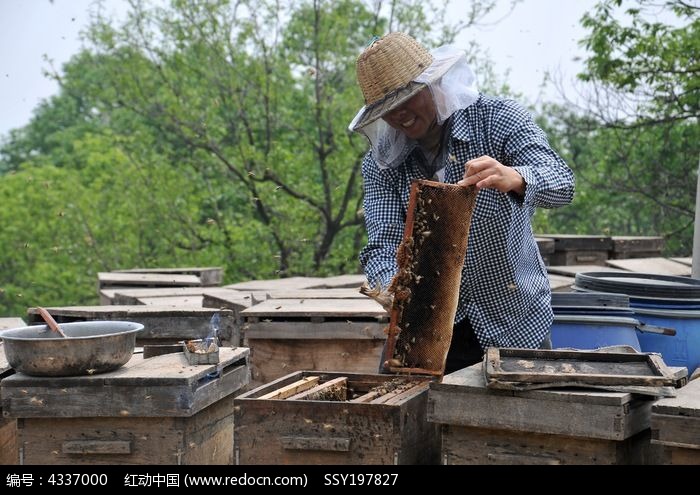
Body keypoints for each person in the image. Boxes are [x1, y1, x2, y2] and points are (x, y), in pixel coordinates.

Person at [349, 32, 575, 374]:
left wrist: (515, 176)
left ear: (433, 82)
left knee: (516, 423)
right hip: (427, 326)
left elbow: (562, 182)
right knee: (399, 415)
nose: (399, 114)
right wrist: (390, 287)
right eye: (387, 107)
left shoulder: (499, 119)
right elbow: (383, 241)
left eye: (407, 97)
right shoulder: (381, 164)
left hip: (513, 319)